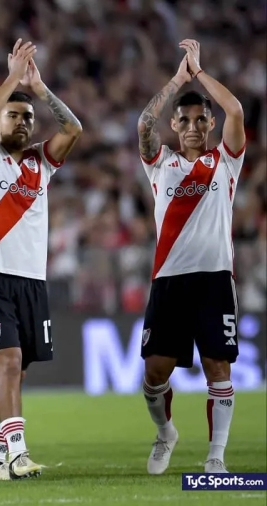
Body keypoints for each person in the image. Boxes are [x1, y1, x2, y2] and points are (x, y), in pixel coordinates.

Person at [0, 39, 83, 480]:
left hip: (32, 280)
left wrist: (41, 91)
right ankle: (16, 451)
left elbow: (73, 129)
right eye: (14, 115)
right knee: (9, 363)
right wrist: (14, 78)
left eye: (28, 118)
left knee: (17, 371)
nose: (23, 122)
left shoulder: (40, 163)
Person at [136, 39, 244, 475]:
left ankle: (215, 458)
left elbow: (235, 110)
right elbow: (145, 122)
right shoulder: (160, 162)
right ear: (175, 127)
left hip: (215, 280)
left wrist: (199, 73)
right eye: (185, 120)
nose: (195, 126)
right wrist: (178, 79)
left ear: (211, 122)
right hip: (169, 281)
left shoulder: (226, 162)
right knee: (154, 375)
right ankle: (166, 433)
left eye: (202, 119)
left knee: (218, 368)